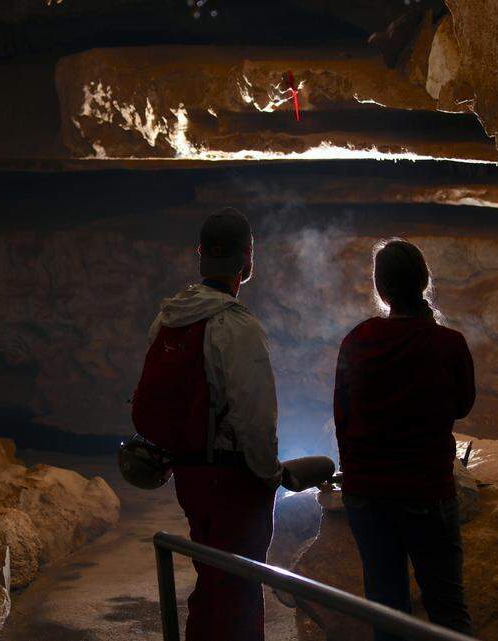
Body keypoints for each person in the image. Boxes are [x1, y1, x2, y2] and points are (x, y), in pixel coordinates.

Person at [147, 207, 282, 641]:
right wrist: (269, 476)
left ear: (200, 256)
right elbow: (255, 416)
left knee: (211, 576)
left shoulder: (170, 318)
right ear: (248, 261)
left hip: (189, 474)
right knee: (238, 590)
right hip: (232, 479)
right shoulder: (235, 326)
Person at [333, 238, 476, 639]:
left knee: (386, 608)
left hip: (368, 496)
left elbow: (342, 417)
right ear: (425, 282)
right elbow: (462, 405)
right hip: (426, 492)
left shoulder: (356, 341)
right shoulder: (448, 344)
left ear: (380, 289)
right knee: (447, 609)